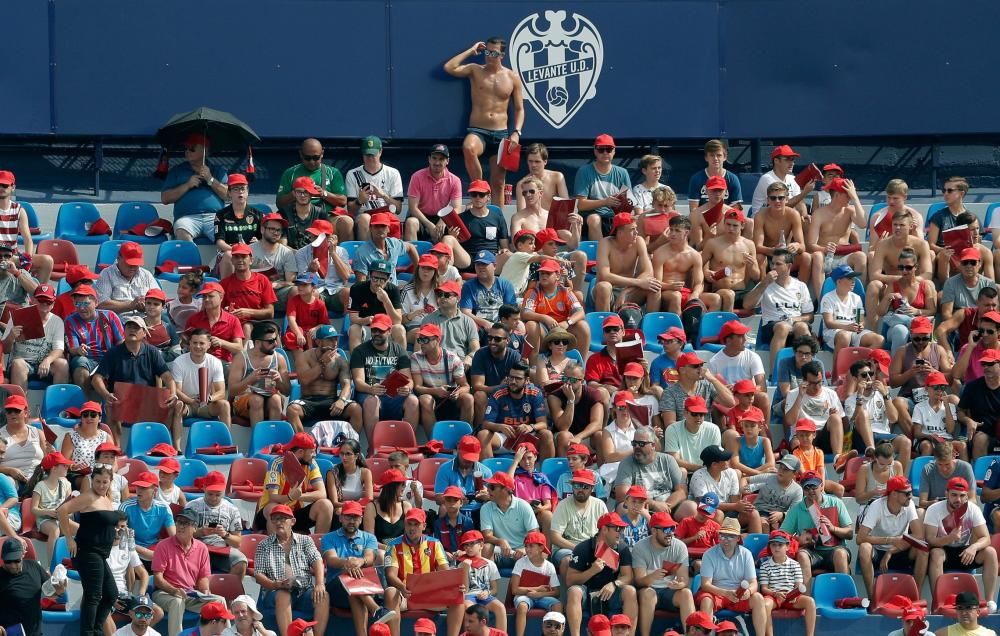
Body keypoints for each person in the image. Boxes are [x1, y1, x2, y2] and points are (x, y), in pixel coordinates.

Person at [444, 37, 524, 204]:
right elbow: (449, 67)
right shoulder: (475, 70)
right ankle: (479, 188)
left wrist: (516, 132)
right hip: (478, 130)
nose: (489, 55)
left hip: (501, 133)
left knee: (498, 184)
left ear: (502, 54)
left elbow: (519, 109)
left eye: (493, 53)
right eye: (486, 51)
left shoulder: (512, 77)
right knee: (468, 147)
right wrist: (471, 50)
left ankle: (496, 222)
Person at [92, 314, 176, 442]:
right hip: (122, 399)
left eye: (136, 328)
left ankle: (163, 445)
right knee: (111, 404)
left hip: (147, 400)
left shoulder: (152, 352)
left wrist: (173, 394)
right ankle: (115, 449)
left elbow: (168, 378)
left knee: (175, 404)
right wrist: (106, 394)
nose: (132, 330)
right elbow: (96, 378)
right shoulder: (113, 353)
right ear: (123, 332)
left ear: (144, 333)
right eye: (129, 327)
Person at [58, 465, 120, 636]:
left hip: (101, 553)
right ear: (92, 481)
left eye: (104, 482)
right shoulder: (88, 497)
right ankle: (88, 633)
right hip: (87, 552)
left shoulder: (107, 499)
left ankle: (97, 630)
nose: (101, 485)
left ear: (110, 482)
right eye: (97, 481)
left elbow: (100, 524)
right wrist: (69, 539)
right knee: (94, 595)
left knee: (111, 595)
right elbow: (62, 511)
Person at [384, 508, 466, 636]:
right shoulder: (393, 545)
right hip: (405, 594)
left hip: (429, 594)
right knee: (390, 592)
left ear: (424, 526)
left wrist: (455, 584)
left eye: (416, 524)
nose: (412, 528)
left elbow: (446, 572)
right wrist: (402, 587)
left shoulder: (435, 543)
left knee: (458, 594)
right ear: (404, 524)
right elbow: (390, 575)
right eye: (409, 524)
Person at [925, 476, 999, 610]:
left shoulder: (973, 509)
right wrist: (949, 538)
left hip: (965, 552)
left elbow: (986, 538)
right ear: (946, 493)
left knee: (990, 552)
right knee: (936, 553)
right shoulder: (934, 509)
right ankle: (938, 602)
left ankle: (989, 601)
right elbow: (930, 539)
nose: (958, 499)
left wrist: (974, 547)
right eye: (954, 495)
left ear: (966, 496)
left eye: (962, 496)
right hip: (943, 550)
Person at [253, 505, 328, 636]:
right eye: (275, 519)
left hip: (304, 590)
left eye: (282, 519)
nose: (278, 522)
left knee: (323, 595)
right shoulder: (264, 545)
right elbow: (258, 574)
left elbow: (317, 561)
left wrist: (320, 583)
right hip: (275, 591)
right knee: (283, 594)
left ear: (292, 521)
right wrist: (275, 584)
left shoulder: (305, 540)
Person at [322, 501, 393, 636]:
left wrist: (360, 561)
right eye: (348, 517)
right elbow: (331, 560)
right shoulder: (329, 538)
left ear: (361, 520)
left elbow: (369, 558)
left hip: (363, 587)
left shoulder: (369, 538)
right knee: (350, 578)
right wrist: (347, 563)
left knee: (354, 592)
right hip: (337, 588)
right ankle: (376, 609)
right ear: (341, 518)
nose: (352, 521)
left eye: (355, 517)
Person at [565, 513, 636, 636]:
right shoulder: (583, 548)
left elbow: (628, 576)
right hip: (587, 591)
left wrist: (614, 584)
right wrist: (591, 571)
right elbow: (570, 580)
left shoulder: (622, 548)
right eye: (617, 529)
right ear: (604, 529)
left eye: (622, 529)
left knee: (630, 591)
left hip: (610, 593)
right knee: (574, 592)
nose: (621, 532)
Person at [856, 475, 927, 598]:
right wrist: (890, 540)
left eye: (910, 493)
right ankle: (872, 597)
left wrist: (891, 550)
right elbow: (860, 538)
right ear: (894, 494)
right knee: (864, 548)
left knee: (923, 548)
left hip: (900, 549)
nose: (911, 496)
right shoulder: (877, 506)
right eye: (907, 493)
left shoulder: (908, 504)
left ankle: (915, 596)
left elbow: (919, 535)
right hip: (878, 551)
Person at [743, 248, 814, 367]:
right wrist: (764, 283)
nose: (773, 267)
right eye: (772, 263)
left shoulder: (800, 286)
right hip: (771, 327)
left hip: (794, 325)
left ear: (789, 266)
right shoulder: (765, 284)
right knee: (783, 326)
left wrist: (796, 319)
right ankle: (775, 374)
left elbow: (810, 316)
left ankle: (807, 371)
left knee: (802, 326)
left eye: (778, 264)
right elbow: (747, 305)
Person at [350, 312, 417, 436]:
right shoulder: (359, 351)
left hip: (394, 395)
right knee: (371, 401)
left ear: (389, 331)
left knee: (413, 400)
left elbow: (409, 379)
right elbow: (358, 382)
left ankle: (408, 445)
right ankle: (373, 447)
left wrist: (408, 388)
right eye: (374, 330)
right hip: (370, 394)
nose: (376, 333)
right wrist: (371, 389)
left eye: (380, 330)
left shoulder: (399, 350)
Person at [780, 471, 853, 585]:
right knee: (802, 555)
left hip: (834, 549)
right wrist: (799, 540)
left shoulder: (836, 502)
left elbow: (850, 533)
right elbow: (782, 535)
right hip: (811, 552)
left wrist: (833, 528)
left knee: (840, 554)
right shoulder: (796, 509)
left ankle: (844, 597)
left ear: (822, 486)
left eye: (814, 487)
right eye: (807, 488)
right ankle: (806, 599)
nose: (810, 491)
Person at [865, 208, 934, 328]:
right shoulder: (883, 244)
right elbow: (874, 275)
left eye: (902, 225)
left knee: (929, 283)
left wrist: (910, 279)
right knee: (873, 285)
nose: (897, 228)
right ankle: (873, 330)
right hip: (891, 285)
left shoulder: (921, 244)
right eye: (895, 224)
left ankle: (928, 329)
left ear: (911, 226)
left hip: (913, 284)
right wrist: (900, 279)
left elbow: (927, 274)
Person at [287, 325, 361, 435]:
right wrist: (322, 363)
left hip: (331, 401)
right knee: (292, 410)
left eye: (336, 339)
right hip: (309, 401)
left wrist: (342, 400)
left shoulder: (340, 361)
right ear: (318, 342)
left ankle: (350, 444)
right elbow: (304, 380)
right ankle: (304, 443)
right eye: (330, 340)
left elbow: (347, 385)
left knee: (356, 409)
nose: (334, 343)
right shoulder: (304, 357)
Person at [630, 511, 694, 636]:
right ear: (654, 531)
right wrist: (652, 577)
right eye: (666, 529)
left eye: (672, 528)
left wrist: (679, 584)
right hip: (649, 589)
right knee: (648, 594)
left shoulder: (680, 546)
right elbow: (638, 581)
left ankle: (691, 634)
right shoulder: (640, 547)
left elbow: (684, 579)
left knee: (686, 593)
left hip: (670, 590)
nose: (670, 533)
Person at [256, 432, 334, 534]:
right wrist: (289, 497)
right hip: (269, 514)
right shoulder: (276, 463)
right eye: (311, 452)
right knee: (274, 507)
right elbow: (273, 497)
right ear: (301, 452)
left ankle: (318, 546)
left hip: (294, 514)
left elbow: (322, 494)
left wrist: (298, 496)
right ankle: (277, 548)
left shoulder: (312, 464)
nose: (314, 455)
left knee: (326, 505)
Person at [168, 328, 232, 448]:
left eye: (201, 343)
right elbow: (177, 390)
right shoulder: (179, 362)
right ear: (189, 344)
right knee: (177, 405)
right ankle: (177, 449)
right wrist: (191, 401)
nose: (197, 346)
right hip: (187, 404)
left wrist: (210, 398)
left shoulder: (215, 362)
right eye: (194, 343)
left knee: (225, 405)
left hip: (206, 405)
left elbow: (221, 392)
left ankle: (226, 446)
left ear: (208, 345)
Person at [806, 177, 868, 298]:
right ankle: (822, 301)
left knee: (861, 256)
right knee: (817, 256)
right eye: (848, 195)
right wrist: (824, 249)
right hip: (825, 256)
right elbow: (811, 244)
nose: (850, 197)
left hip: (844, 256)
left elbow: (863, 223)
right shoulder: (819, 213)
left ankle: (858, 300)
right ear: (838, 195)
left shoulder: (850, 211)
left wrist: (855, 198)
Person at [479, 360, 554, 459]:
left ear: (527, 380)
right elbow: (486, 424)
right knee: (483, 434)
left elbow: (543, 423)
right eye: (511, 377)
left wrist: (531, 427)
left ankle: (543, 473)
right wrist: (500, 427)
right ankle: (490, 472)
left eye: (518, 378)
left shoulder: (535, 393)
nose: (513, 382)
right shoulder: (498, 394)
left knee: (547, 434)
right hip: (503, 437)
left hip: (526, 437)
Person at [275, 139, 350, 238]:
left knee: (347, 221)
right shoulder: (290, 173)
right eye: (307, 158)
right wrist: (295, 194)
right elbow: (279, 204)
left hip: (324, 218)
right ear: (301, 154)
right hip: (296, 218)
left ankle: (342, 252)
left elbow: (343, 201)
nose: (312, 162)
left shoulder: (332, 172)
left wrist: (324, 194)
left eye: (316, 158)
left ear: (322, 153)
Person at [161, 133, 228, 242]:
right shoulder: (177, 171)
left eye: (192, 148)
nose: (187, 151)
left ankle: (224, 259)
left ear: (205, 151)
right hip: (187, 218)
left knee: (227, 237)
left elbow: (229, 195)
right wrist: (187, 185)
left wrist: (210, 179)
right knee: (182, 232)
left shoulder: (217, 170)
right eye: (186, 148)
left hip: (214, 217)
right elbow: (165, 198)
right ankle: (191, 258)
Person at [411, 322, 474, 437]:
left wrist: (457, 393)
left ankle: (465, 440)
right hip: (431, 396)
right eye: (420, 340)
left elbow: (465, 386)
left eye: (426, 340)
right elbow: (418, 388)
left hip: (450, 399)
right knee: (425, 400)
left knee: (468, 398)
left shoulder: (452, 359)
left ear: (438, 340)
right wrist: (436, 391)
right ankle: (433, 443)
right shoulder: (416, 357)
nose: (422, 343)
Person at [404, 144, 467, 257]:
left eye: (441, 159)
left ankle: (447, 265)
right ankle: (411, 263)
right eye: (434, 158)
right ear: (429, 159)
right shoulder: (417, 177)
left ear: (447, 161)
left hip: (442, 217)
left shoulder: (455, 180)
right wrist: (430, 226)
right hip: (421, 216)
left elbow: (457, 207)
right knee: (411, 222)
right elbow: (413, 207)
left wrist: (442, 221)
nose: (437, 162)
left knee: (457, 227)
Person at [649, 215, 716, 317]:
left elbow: (699, 283)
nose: (672, 234)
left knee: (715, 299)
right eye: (671, 230)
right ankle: (678, 331)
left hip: (685, 292)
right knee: (676, 296)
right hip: (666, 292)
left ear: (686, 233)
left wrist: (695, 294)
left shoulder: (694, 255)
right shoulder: (660, 252)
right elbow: (656, 283)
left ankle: (706, 330)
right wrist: (670, 286)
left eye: (677, 231)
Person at [65, 283, 125, 398]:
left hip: (109, 359)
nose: (81, 308)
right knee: (79, 362)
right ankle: (86, 405)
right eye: (77, 303)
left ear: (96, 303)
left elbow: (122, 344)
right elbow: (72, 349)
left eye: (86, 303)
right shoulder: (70, 321)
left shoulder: (110, 316)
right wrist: (79, 350)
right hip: (88, 360)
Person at [845, 359, 909, 467]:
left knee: (906, 442)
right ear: (856, 379)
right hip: (862, 439)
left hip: (883, 437)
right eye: (864, 375)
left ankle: (897, 480)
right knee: (863, 413)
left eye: (871, 374)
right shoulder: (850, 400)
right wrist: (860, 396)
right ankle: (872, 451)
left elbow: (893, 418)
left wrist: (886, 395)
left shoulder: (881, 395)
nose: (869, 378)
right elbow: (853, 422)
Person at [613, 427, 689, 515]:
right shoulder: (626, 463)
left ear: (653, 445)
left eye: (641, 444)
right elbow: (622, 496)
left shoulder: (668, 460)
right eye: (634, 443)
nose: (637, 447)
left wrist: (665, 507)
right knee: (623, 508)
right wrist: (654, 504)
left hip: (667, 507)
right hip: (640, 509)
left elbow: (682, 491)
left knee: (690, 507)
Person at [185, 471, 248, 576]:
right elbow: (181, 535)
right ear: (204, 488)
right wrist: (200, 532)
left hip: (221, 549)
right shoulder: (191, 506)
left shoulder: (232, 509)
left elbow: (237, 542)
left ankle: (229, 591)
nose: (214, 498)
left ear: (223, 490)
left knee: (240, 562)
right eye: (210, 494)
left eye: (218, 494)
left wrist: (225, 535)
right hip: (196, 547)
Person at [228, 320, 291, 426]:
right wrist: (250, 379)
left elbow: (287, 392)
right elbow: (232, 391)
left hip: (270, 397)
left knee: (275, 399)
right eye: (270, 341)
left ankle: (274, 439)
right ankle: (258, 439)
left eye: (275, 339)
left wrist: (279, 381)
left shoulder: (279, 358)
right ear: (257, 342)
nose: (275, 344)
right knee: (257, 399)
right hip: (245, 401)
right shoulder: (241, 358)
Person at [549, 469, 609, 579]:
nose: (581, 490)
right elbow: (554, 537)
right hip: (567, 548)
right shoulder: (563, 505)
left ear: (592, 488)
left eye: (585, 487)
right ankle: (570, 592)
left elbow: (607, 533)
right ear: (572, 486)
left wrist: (594, 550)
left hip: (592, 548)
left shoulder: (600, 505)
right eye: (577, 485)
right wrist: (579, 549)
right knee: (568, 560)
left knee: (613, 560)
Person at [521, 259, 590, 353]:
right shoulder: (533, 292)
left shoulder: (566, 291)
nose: (544, 276)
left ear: (557, 276)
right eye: (541, 273)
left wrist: (567, 322)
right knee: (531, 325)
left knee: (583, 326)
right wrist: (545, 318)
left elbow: (581, 312)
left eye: (548, 273)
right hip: (543, 331)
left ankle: (581, 365)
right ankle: (534, 363)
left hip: (563, 330)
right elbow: (525, 313)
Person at [783, 360, 846, 463]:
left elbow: (844, 423)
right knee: (795, 442)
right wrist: (800, 396)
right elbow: (790, 421)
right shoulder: (793, 394)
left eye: (819, 382)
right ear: (804, 381)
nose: (817, 386)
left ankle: (838, 459)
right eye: (812, 383)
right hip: (803, 434)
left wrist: (834, 415)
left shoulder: (831, 394)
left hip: (825, 435)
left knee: (835, 418)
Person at [708, 319, 770, 423]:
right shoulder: (714, 361)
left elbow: (762, 387)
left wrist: (740, 389)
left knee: (763, 397)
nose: (745, 339)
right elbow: (711, 391)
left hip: (748, 395)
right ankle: (723, 435)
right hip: (727, 398)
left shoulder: (753, 357)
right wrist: (725, 391)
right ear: (728, 340)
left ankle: (764, 431)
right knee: (715, 403)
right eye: (740, 336)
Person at [0, 539, 66, 636]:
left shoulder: (34, 566)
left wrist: (59, 591)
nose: (12, 565)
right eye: (8, 561)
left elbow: (50, 593)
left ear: (23, 555)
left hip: (35, 632)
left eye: (16, 561)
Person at [593, 212, 657, 312]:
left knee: (654, 288)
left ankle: (649, 325)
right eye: (632, 230)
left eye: (636, 228)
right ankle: (604, 324)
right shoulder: (605, 243)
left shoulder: (639, 241)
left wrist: (626, 291)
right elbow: (604, 275)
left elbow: (648, 272)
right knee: (604, 287)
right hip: (608, 291)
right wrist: (638, 282)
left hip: (629, 290)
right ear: (620, 233)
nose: (637, 232)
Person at [758, 530, 816, 636]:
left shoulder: (795, 564)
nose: (776, 548)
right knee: (765, 605)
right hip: (774, 596)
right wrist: (775, 594)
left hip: (790, 596)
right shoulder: (765, 565)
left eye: (780, 545)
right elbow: (764, 589)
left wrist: (795, 594)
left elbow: (799, 585)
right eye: (773, 545)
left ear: (787, 547)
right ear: (770, 547)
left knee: (810, 602)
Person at [345, 136, 404, 242]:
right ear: (362, 154)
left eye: (373, 154)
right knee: (365, 218)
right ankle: (365, 256)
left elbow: (398, 209)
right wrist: (359, 201)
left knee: (384, 220)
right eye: (367, 154)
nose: (370, 158)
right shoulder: (352, 174)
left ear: (380, 151)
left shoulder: (393, 173)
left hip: (385, 214)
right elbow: (351, 210)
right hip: (364, 215)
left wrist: (384, 195)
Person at [574, 134, 632, 240]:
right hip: (590, 219)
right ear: (595, 151)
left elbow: (629, 203)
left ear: (614, 151)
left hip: (614, 217)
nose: (605, 153)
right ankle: (600, 253)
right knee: (594, 219)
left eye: (609, 149)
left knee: (633, 220)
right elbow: (580, 205)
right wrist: (605, 202)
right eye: (601, 149)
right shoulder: (584, 171)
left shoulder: (622, 172)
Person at [0, 170, 54, 283]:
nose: (1, 188)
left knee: (47, 261)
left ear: (13, 187)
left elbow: (28, 239)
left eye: (4, 185)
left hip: (12, 255)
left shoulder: (19, 210)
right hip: (3, 256)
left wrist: (27, 258)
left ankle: (38, 297)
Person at [752, 182, 813, 280]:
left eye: (781, 198)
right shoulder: (760, 216)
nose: (777, 201)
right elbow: (757, 247)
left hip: (786, 256)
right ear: (768, 200)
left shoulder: (794, 215)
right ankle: (763, 290)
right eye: (773, 198)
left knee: (806, 258)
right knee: (759, 257)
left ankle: (801, 292)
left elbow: (802, 246)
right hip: (769, 256)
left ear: (787, 199)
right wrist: (772, 250)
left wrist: (796, 246)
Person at [702, 209, 760, 312]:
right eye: (728, 224)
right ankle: (729, 325)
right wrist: (706, 273)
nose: (731, 228)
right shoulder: (713, 243)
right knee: (729, 294)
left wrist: (752, 266)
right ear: (724, 224)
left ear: (742, 226)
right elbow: (698, 266)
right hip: (721, 291)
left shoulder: (749, 244)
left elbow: (756, 277)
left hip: (742, 291)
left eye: (735, 225)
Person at [480, 470, 539, 570]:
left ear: (506, 490)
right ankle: (489, 583)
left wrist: (524, 549)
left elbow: (535, 535)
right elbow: (487, 536)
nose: (488, 489)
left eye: (492, 487)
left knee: (533, 552)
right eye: (488, 485)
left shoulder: (523, 506)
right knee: (486, 547)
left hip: (522, 553)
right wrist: (500, 541)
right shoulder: (486, 508)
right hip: (500, 552)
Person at [220, 243, 277, 337]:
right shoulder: (224, 284)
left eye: (243, 257)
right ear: (232, 261)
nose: (240, 260)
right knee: (246, 327)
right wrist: (226, 311)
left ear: (251, 260)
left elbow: (270, 312)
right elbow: (218, 312)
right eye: (236, 257)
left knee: (252, 327)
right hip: (233, 325)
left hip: (260, 323)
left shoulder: (262, 280)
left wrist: (247, 312)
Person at [469, 323, 521, 426]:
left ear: (507, 340)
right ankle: (481, 430)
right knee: (479, 395)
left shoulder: (515, 356)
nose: (492, 342)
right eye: (490, 338)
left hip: (509, 395)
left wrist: (504, 388)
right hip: (489, 396)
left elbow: (520, 384)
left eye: (497, 339)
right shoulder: (480, 354)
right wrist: (500, 388)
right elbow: (477, 386)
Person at [510, 532, 562, 636]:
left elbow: (557, 592)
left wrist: (539, 594)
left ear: (541, 548)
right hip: (523, 596)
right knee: (522, 606)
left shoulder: (549, 566)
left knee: (558, 605)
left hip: (542, 597)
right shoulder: (520, 563)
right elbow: (514, 590)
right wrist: (537, 589)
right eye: (526, 546)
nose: (527, 549)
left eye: (531, 546)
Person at [212, 173, 262, 278]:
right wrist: (237, 250)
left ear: (247, 191)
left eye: (243, 188)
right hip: (229, 252)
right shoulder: (221, 215)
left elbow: (264, 240)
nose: (240, 192)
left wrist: (258, 243)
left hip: (251, 252)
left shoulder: (258, 214)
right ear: (229, 193)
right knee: (229, 255)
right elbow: (219, 242)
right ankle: (227, 290)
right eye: (235, 189)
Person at [456, 532, 508, 634]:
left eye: (471, 544)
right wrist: (465, 569)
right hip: (469, 596)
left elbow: (495, 589)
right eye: (465, 545)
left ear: (481, 545)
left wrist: (487, 593)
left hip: (485, 596)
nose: (468, 548)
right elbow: (465, 590)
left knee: (501, 607)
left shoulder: (490, 564)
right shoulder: (462, 564)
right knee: (467, 607)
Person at [422, 279, 480, 365]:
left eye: (446, 295)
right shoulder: (428, 320)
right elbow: (422, 349)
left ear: (458, 298)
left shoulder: (468, 321)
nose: (442, 297)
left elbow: (475, 348)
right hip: (437, 364)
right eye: (439, 294)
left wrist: (470, 357)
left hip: (462, 365)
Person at [184, 282, 244, 364]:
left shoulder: (233, 320)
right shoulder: (193, 319)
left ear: (221, 297)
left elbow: (239, 348)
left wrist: (222, 343)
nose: (206, 299)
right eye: (204, 297)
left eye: (210, 296)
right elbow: (185, 343)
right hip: (197, 361)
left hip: (222, 362)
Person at [30, 451, 71, 566]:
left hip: (61, 518)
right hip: (45, 520)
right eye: (64, 465)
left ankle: (76, 563)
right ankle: (52, 565)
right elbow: (33, 509)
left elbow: (70, 504)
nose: (67, 467)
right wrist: (49, 512)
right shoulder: (41, 486)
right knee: (55, 530)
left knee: (80, 529)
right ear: (54, 468)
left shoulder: (66, 484)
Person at [250, 212, 297, 312]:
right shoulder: (249, 251)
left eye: (278, 230)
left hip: (277, 294)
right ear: (262, 229)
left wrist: (278, 285)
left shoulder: (287, 253)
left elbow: (291, 282)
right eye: (272, 229)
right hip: (253, 292)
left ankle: (292, 324)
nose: (276, 233)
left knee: (296, 291)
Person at [461, 251, 517, 334]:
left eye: (484, 264)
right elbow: (465, 312)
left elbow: (512, 311)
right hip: (479, 326)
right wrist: (484, 323)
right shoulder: (468, 285)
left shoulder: (505, 284)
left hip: (502, 325)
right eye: (478, 264)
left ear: (494, 266)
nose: (480, 267)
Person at [433, 436, 493, 512]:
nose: (468, 460)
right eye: (466, 456)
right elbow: (438, 498)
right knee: (443, 508)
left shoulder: (486, 471)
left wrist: (488, 497)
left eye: (471, 458)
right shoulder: (444, 469)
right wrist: (456, 500)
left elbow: (496, 498)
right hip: (455, 510)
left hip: (480, 510)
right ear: (458, 449)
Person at [0, 395, 44, 499]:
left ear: (25, 412)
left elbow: (48, 460)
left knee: (61, 481)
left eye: (16, 410)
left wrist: (51, 451)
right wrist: (9, 470)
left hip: (37, 478)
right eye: (9, 411)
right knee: (8, 482)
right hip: (10, 479)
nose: (12, 414)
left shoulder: (38, 433)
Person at [959, 349, 1000, 460]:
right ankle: (978, 476)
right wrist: (968, 420)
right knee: (980, 439)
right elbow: (960, 411)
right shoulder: (972, 387)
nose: (986, 367)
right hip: (983, 431)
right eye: (983, 364)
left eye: (990, 364)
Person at [747, 454, 803, 533]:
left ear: (795, 474)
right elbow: (746, 480)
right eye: (780, 467)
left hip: (779, 518)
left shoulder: (797, 490)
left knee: (776, 526)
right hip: (759, 512)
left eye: (786, 469)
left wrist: (782, 515)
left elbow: (794, 512)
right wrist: (744, 490)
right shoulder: (768, 478)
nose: (781, 471)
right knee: (764, 524)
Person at [750, 145, 810, 217]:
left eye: (792, 159)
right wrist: (805, 192)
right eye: (787, 159)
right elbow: (779, 205)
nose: (792, 163)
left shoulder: (793, 179)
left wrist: (805, 216)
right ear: (776, 161)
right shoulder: (767, 178)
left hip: (783, 219)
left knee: (807, 221)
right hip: (763, 220)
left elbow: (799, 202)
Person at [941, 247, 997, 322]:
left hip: (983, 323)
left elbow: (993, 311)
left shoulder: (988, 283)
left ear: (979, 264)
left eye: (973, 262)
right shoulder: (950, 283)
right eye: (965, 262)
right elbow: (946, 314)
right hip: (959, 323)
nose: (969, 266)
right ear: (960, 264)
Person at [687, 139, 743, 214]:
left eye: (719, 155)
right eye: (712, 155)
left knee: (749, 222)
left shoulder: (732, 179)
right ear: (706, 157)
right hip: (703, 219)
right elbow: (693, 210)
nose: (715, 159)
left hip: (726, 220)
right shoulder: (696, 179)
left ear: (725, 157)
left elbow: (737, 210)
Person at [363, 469, 412, 551]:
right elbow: (369, 539)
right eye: (402, 484)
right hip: (379, 551)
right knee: (382, 556)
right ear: (392, 487)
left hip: (402, 551)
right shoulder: (372, 507)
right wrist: (389, 549)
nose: (404, 487)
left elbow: (411, 536)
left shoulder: (407, 506)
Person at [459, 180, 510, 259]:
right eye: (474, 194)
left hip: (493, 259)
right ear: (470, 197)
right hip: (469, 259)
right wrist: (453, 237)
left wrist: (504, 251)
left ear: (489, 197)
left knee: (509, 255)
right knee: (448, 239)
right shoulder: (461, 218)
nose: (478, 197)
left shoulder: (497, 216)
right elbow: (456, 246)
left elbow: (505, 246)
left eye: (482, 194)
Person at [327, 440, 374, 521]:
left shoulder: (365, 472)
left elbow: (369, 498)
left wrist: (354, 507)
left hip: (358, 509)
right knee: (339, 512)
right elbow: (334, 502)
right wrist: (350, 506)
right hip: (340, 509)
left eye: (348, 454)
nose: (344, 457)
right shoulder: (332, 473)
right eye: (342, 454)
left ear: (356, 456)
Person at [926, 176, 972, 257]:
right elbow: (931, 244)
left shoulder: (971, 217)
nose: (945, 193)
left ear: (961, 194)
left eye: (950, 191)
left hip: (965, 255)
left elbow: (976, 242)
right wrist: (945, 251)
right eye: (944, 190)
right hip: (943, 255)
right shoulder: (938, 216)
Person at [281, 177, 331, 249]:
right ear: (294, 193)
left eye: (306, 192)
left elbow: (327, 240)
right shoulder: (284, 213)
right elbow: (282, 246)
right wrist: (300, 255)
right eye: (299, 191)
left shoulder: (321, 214)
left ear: (311, 194)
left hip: (315, 255)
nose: (302, 195)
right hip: (290, 256)